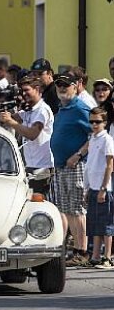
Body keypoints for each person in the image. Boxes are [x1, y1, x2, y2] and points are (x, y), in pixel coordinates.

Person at [49, 71, 92, 266]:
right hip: (60, 166)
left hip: (76, 165)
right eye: (59, 84)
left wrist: (78, 155)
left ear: (76, 86)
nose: (62, 88)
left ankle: (82, 251)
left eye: (66, 84)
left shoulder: (81, 108)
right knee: (66, 210)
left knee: (77, 210)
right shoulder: (62, 108)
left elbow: (95, 136)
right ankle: (75, 250)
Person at [0, 76, 54, 195]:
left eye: (27, 90)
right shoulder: (30, 109)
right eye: (22, 91)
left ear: (37, 89)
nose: (24, 94)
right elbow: (15, 117)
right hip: (31, 164)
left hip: (42, 167)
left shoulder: (42, 110)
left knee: (38, 202)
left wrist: (10, 121)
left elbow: (32, 134)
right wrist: (4, 111)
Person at [83, 107, 114, 268]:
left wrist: (103, 188)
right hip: (93, 187)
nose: (94, 125)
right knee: (94, 224)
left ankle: (107, 257)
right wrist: (87, 188)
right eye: (92, 121)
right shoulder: (93, 139)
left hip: (104, 189)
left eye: (98, 122)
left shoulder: (106, 139)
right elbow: (89, 166)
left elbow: (110, 165)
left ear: (105, 122)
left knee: (106, 225)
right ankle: (95, 256)